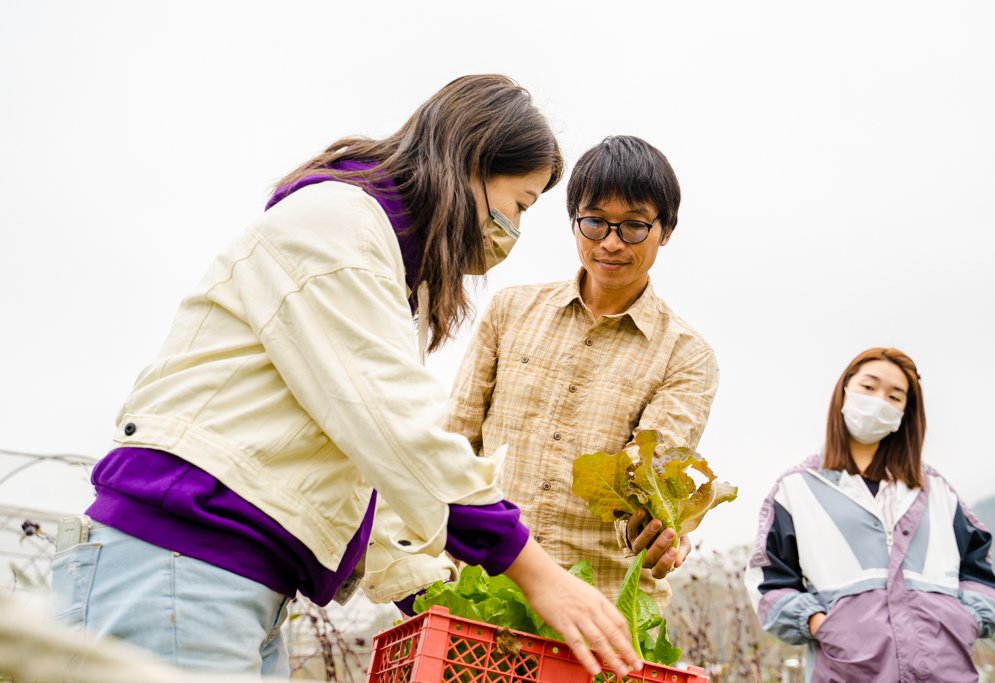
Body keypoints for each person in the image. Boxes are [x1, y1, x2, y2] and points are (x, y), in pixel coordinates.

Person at [49, 75, 641, 679]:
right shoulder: (339, 226)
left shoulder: (387, 268)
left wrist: (438, 601)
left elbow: (368, 469)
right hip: (176, 564)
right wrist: (533, 572)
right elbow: (394, 427)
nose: (514, 228)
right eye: (521, 203)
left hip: (228, 581)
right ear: (472, 162)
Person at [443, 135, 719, 608]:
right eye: (594, 223)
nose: (610, 243)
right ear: (574, 222)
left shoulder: (686, 356)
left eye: (633, 227)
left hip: (600, 606)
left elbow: (645, 479)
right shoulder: (511, 311)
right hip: (486, 591)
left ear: (665, 230)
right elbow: (455, 442)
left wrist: (660, 530)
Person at [745, 347, 995, 681]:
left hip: (944, 672)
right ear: (845, 391)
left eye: (895, 396)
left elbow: (980, 568)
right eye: (869, 387)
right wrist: (820, 623)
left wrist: (966, 620)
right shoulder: (797, 489)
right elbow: (769, 582)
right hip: (846, 672)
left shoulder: (936, 491)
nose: (880, 401)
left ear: (905, 413)